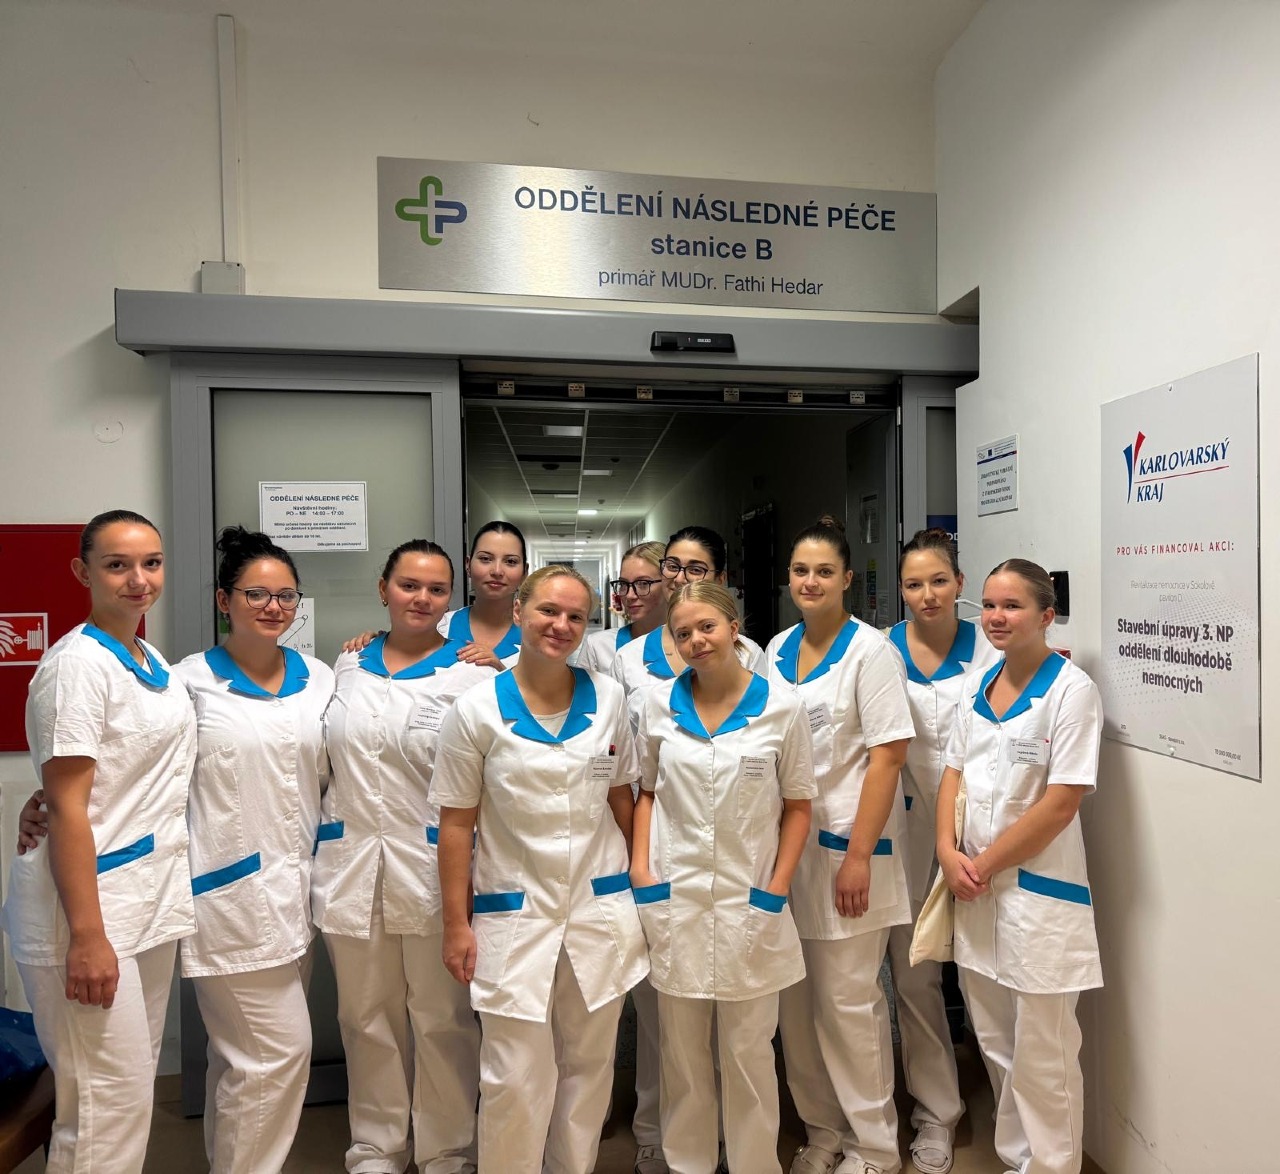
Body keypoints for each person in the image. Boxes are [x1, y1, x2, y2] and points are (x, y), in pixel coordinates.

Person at [432, 565, 649, 1174]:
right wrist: (455, 923)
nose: (561, 625)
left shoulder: (609, 698)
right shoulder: (474, 710)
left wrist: (641, 887)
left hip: (598, 907)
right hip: (514, 912)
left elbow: (622, 796)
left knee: (588, 1066)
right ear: (519, 612)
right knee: (512, 1074)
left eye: (575, 616)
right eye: (548, 611)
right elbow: (456, 824)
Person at [3, 510, 198, 1172]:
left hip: (144, 897)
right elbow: (67, 806)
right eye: (117, 565)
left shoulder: (149, 658)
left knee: (123, 1095)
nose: (138, 579)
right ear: (83, 573)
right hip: (87, 912)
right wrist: (86, 937)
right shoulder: (76, 667)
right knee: (102, 1107)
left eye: (151, 562)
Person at [313, 539, 496, 1174]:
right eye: (409, 585)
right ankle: (377, 1148)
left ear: (451, 600)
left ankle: (448, 1151)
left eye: (437, 589)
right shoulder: (347, 665)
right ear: (383, 589)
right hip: (350, 867)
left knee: (443, 1018)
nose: (422, 598)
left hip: (433, 871)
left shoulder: (475, 677)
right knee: (365, 1017)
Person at [632, 581, 816, 1174]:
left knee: (748, 1051)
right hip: (675, 897)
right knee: (681, 1054)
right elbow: (646, 791)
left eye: (707, 627)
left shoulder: (782, 707)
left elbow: (799, 805)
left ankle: (753, 1165)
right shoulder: (655, 705)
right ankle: (688, 1163)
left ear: (735, 629)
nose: (696, 641)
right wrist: (641, 868)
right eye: (682, 632)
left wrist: (777, 886)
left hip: (750, 899)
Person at [173, 526, 334, 1174]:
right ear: (224, 600)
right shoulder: (187, 684)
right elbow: (141, 771)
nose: (273, 607)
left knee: (238, 1061)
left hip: (297, 894)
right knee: (276, 1055)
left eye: (286, 595)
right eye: (256, 594)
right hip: (227, 899)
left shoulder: (320, 678)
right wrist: (46, 801)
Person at [937, 559, 1103, 1174]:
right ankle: (1017, 1160)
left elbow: (1061, 803)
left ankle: (1053, 1165)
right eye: (989, 605)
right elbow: (952, 774)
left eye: (1012, 606)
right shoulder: (978, 686)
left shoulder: (1071, 691)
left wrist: (980, 864)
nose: (996, 617)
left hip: (1038, 897)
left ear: (1046, 615)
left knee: (1044, 1052)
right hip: (976, 891)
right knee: (996, 1041)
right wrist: (946, 852)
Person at [764, 517, 915, 1174]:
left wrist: (857, 856)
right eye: (801, 571)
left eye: (825, 571)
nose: (811, 581)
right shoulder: (775, 649)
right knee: (795, 1008)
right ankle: (822, 1132)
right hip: (786, 856)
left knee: (848, 1005)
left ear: (847, 579)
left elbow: (888, 758)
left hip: (848, 855)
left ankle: (873, 1147)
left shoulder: (871, 652)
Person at [882, 529, 999, 1174]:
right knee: (914, 972)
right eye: (913, 584)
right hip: (904, 827)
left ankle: (1018, 1116)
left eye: (938, 581)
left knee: (987, 970)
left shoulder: (990, 648)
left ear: (960, 582)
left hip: (979, 827)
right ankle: (936, 1114)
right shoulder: (881, 651)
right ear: (900, 591)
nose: (926, 595)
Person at [611, 526, 765, 702]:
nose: (679, 579)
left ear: (720, 580)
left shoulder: (748, 654)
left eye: (695, 570)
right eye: (672, 566)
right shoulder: (628, 657)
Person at [439, 521, 528, 668]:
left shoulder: (536, 635)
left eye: (511, 561)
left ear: (524, 571)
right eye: (485, 559)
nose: (497, 571)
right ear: (468, 565)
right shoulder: (440, 627)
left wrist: (500, 670)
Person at [577, 540, 668, 676]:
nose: (629, 595)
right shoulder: (599, 647)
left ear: (669, 584)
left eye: (643, 583)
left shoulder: (693, 644)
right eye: (623, 584)